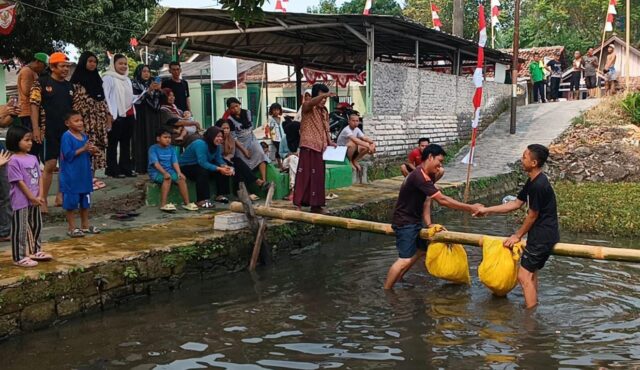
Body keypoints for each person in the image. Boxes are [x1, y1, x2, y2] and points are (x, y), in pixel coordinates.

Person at [384, 144, 482, 289]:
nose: (440, 166)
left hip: (415, 221)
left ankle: (399, 277)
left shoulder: (426, 176)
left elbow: (427, 201)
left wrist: (429, 224)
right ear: (430, 157)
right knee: (404, 260)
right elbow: (443, 200)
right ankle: (387, 290)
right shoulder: (419, 176)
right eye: (439, 161)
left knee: (421, 251)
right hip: (404, 223)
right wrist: (470, 208)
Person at [473, 144, 559, 309]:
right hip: (542, 234)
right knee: (531, 275)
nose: (521, 160)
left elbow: (533, 215)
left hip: (542, 237)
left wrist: (517, 235)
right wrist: (486, 210)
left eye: (524, 157)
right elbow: (515, 203)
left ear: (534, 163)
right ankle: (533, 307)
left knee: (523, 276)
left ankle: (530, 319)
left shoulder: (539, 185)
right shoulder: (533, 180)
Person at [30, 52, 74, 213]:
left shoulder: (70, 87)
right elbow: (34, 105)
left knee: (65, 164)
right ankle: (42, 200)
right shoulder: (40, 83)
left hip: (66, 132)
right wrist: (35, 129)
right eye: (62, 66)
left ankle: (60, 196)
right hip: (48, 130)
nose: (65, 69)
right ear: (52, 67)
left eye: (67, 67)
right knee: (49, 164)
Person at [6, 125, 53, 267]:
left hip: (35, 199)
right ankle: (18, 256)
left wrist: (41, 195)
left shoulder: (33, 158)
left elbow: (39, 177)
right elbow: (19, 182)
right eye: (26, 140)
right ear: (16, 141)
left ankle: (35, 250)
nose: (30, 143)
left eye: (30, 140)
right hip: (21, 200)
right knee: (20, 228)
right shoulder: (13, 160)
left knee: (36, 225)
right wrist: (32, 197)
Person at [70, 51, 111, 190]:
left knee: (96, 149)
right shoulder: (77, 81)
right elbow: (76, 104)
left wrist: (106, 118)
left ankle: (92, 178)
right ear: (83, 62)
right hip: (84, 122)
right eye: (90, 61)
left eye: (95, 62)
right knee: (84, 148)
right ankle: (82, 179)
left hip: (98, 121)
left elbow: (103, 101)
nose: (93, 64)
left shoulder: (97, 79)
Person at [293, 83, 336, 213]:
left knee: (318, 177)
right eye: (322, 97)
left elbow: (325, 129)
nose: (324, 100)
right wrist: (323, 96)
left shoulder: (324, 111)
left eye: (326, 98)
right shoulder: (307, 106)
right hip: (308, 145)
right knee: (304, 174)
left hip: (320, 147)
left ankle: (316, 205)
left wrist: (330, 142)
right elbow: (311, 102)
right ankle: (298, 204)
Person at [59, 112, 101, 238]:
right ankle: (71, 227)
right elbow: (68, 155)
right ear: (67, 123)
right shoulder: (66, 136)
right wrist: (83, 149)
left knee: (85, 201)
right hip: (71, 175)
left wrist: (93, 151)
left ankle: (85, 225)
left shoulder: (83, 136)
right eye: (76, 121)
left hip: (84, 174)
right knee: (71, 202)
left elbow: (86, 152)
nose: (80, 123)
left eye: (81, 120)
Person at [178, 127, 234, 208]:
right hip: (186, 166)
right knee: (202, 170)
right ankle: (201, 200)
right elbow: (202, 163)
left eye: (221, 137)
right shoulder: (200, 144)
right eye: (217, 136)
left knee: (223, 169)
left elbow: (218, 159)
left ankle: (220, 195)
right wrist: (220, 168)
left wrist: (226, 167)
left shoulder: (216, 146)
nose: (220, 139)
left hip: (199, 164)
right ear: (211, 136)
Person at [148, 128, 199, 212]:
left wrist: (179, 173)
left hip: (170, 171)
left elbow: (175, 162)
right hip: (156, 173)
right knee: (167, 178)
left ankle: (187, 204)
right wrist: (164, 173)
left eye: (169, 137)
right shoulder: (153, 149)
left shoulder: (171, 148)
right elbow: (156, 164)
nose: (168, 139)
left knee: (181, 179)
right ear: (158, 139)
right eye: (165, 137)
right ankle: (163, 204)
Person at [216, 120, 268, 201]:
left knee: (238, 163)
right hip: (218, 160)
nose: (226, 130)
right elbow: (217, 154)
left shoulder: (231, 138)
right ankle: (256, 181)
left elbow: (232, 153)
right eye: (224, 128)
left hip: (228, 159)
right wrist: (226, 159)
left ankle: (242, 191)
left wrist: (228, 158)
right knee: (237, 164)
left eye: (227, 128)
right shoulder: (217, 138)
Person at [103, 54, 136, 178]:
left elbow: (128, 96)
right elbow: (106, 97)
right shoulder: (108, 78)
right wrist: (109, 115)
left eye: (125, 64)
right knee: (113, 143)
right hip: (115, 115)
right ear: (113, 64)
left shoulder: (127, 79)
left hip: (129, 113)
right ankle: (112, 169)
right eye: (120, 63)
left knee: (126, 142)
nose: (123, 66)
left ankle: (126, 168)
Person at [225, 98, 269, 186]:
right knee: (242, 160)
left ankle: (264, 181)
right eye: (232, 108)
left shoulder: (247, 112)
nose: (235, 109)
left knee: (260, 153)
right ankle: (249, 185)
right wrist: (244, 150)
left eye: (236, 106)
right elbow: (234, 137)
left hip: (251, 138)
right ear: (229, 109)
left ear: (239, 104)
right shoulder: (230, 119)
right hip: (239, 142)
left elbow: (250, 127)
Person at [132, 64, 163, 174]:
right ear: (139, 72)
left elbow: (158, 101)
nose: (146, 73)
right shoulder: (134, 83)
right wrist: (148, 90)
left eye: (148, 71)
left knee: (152, 138)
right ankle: (140, 167)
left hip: (152, 116)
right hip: (140, 115)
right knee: (141, 139)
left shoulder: (153, 83)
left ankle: (153, 165)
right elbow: (136, 100)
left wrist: (158, 91)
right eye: (144, 71)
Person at [17, 52, 48, 159]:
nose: (43, 69)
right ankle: (30, 162)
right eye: (44, 66)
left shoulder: (33, 72)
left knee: (36, 141)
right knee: (32, 140)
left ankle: (34, 162)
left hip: (33, 111)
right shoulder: (26, 71)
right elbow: (26, 91)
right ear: (37, 62)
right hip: (27, 111)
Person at [336, 113, 376, 182]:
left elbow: (364, 138)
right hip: (341, 150)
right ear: (349, 121)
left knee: (365, 146)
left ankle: (355, 160)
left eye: (357, 121)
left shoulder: (357, 129)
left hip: (350, 150)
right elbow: (355, 140)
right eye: (353, 121)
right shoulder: (347, 130)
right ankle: (350, 161)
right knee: (353, 143)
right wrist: (368, 145)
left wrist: (372, 143)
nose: (355, 122)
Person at [268, 102, 284, 168]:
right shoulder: (271, 119)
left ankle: (282, 163)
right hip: (275, 138)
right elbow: (271, 129)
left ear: (280, 110)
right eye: (274, 110)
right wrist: (272, 138)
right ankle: (280, 164)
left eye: (277, 110)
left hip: (282, 137)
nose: (276, 111)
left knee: (281, 149)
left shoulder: (281, 118)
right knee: (279, 149)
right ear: (271, 111)